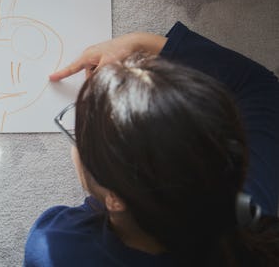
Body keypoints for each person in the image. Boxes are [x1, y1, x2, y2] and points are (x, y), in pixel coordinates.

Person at [24, 22, 279, 266]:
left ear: (114, 198)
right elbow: (263, 91)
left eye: (80, 137)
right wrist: (140, 42)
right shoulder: (249, 216)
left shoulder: (56, 247)